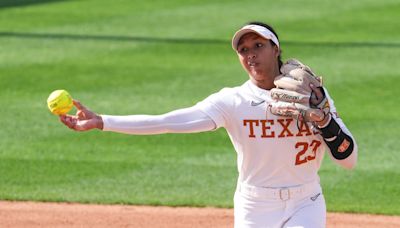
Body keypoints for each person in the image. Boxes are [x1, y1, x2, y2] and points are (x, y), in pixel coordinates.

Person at [60, 22, 358, 228]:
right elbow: (168, 122)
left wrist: (323, 118)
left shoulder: (312, 96)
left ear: (276, 48)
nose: (251, 53)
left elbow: (348, 159)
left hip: (306, 200)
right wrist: (103, 122)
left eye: (258, 45)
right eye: (243, 49)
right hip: (256, 206)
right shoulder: (232, 101)